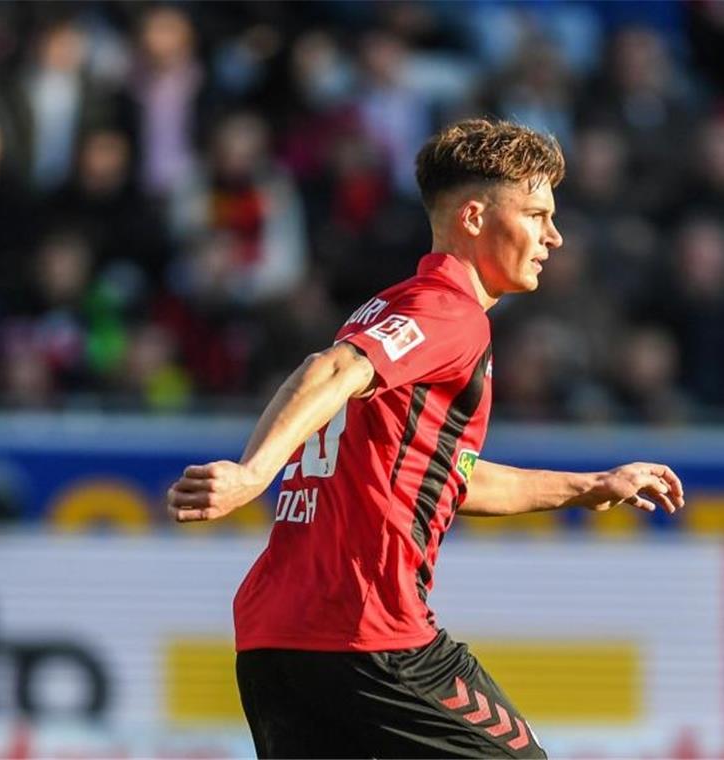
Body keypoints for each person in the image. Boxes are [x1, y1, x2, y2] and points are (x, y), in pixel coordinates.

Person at [167, 118, 686, 759]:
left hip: (275, 639)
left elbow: (441, 471)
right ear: (473, 216)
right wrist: (253, 474)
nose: (554, 235)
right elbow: (325, 370)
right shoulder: (448, 312)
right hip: (369, 631)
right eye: (535, 213)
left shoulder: (385, 309)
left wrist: (588, 486)